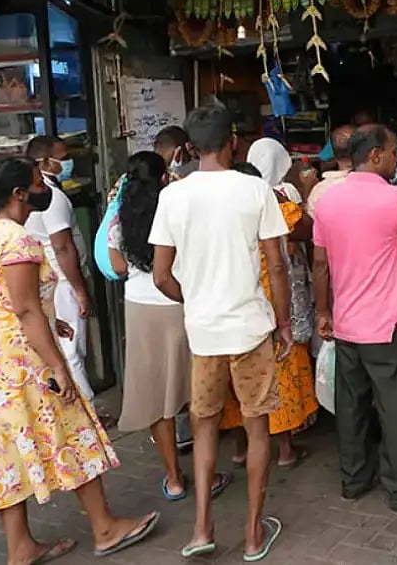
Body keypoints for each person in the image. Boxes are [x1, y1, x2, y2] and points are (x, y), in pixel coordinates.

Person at [0, 156, 159, 564]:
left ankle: (21, 548)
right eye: (37, 182)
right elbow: (27, 310)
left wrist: (52, 322)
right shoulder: (18, 240)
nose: (45, 187)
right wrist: (59, 366)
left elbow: (8, 301)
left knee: (2, 452)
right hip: (18, 359)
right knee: (73, 430)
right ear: (18, 195)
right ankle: (104, 528)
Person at [149, 104, 291, 560]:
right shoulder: (255, 190)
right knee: (257, 429)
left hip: (204, 332)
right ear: (233, 141)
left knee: (205, 426)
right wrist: (285, 323)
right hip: (250, 329)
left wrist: (195, 301)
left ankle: (201, 529)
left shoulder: (172, 195)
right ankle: (252, 536)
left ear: (190, 147)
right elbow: (276, 264)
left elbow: (161, 276)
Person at [312, 124, 397, 512]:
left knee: (351, 409)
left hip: (346, 324)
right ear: (374, 156)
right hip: (386, 327)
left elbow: (320, 264)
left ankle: (354, 480)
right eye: (391, 152)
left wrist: (324, 311)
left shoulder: (328, 202)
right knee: (394, 411)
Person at [106, 151, 192, 501]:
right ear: (163, 178)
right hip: (179, 302)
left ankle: (174, 478)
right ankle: (207, 468)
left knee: (158, 398)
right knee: (191, 390)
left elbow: (116, 264)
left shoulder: (119, 216)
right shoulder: (175, 208)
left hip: (140, 307)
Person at [244, 140, 319, 467]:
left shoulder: (239, 197)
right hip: (278, 290)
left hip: (246, 290)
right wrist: (305, 190)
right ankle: (286, 448)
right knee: (284, 362)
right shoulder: (275, 199)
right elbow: (307, 230)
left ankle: (241, 447)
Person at [24, 136, 94, 401]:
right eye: (63, 158)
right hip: (62, 282)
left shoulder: (43, 193)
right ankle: (87, 409)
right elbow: (62, 247)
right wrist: (79, 290)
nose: (68, 163)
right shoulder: (51, 198)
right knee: (72, 350)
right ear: (44, 162)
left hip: (53, 280)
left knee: (69, 348)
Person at [305, 125, 355, 219]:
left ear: (333, 154)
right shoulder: (377, 183)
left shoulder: (321, 190)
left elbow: (311, 223)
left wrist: (307, 190)